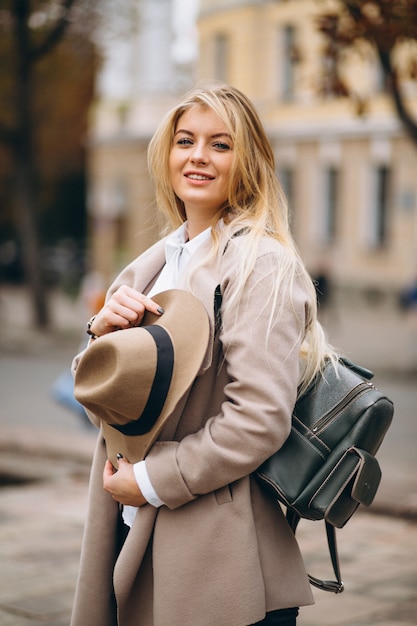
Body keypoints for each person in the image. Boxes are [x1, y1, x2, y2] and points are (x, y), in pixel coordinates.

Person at [71, 82, 336, 626]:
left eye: (221, 144)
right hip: (129, 525)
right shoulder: (151, 263)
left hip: (214, 550)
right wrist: (100, 332)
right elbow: (102, 402)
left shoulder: (262, 264)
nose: (198, 156)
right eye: (185, 140)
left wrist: (148, 483)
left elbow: (259, 420)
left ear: (250, 161)